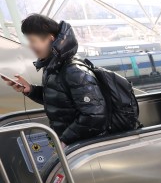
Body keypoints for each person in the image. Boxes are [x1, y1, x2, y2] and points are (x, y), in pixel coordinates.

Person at [6, 14, 107, 145]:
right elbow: (60, 101)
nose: (30, 46)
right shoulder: (53, 69)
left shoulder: (74, 71)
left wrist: (65, 139)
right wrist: (30, 89)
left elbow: (95, 116)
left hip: (85, 146)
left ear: (50, 39)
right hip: (73, 143)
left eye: (32, 40)